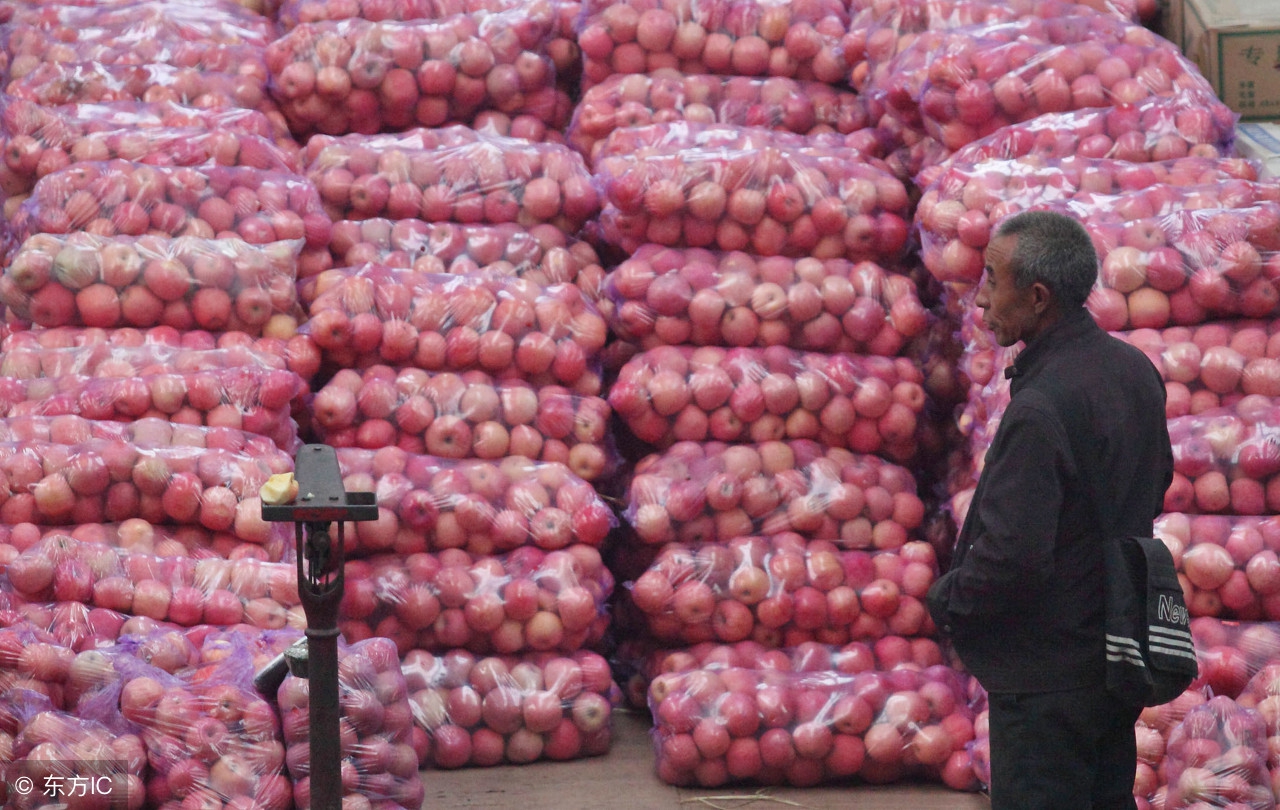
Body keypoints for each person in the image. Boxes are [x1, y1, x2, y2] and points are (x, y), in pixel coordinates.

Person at [926, 210, 1173, 810]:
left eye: (992, 278)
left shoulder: (1042, 405)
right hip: (1115, 653)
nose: (980, 297)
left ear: (1036, 297)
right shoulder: (1133, 370)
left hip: (1046, 676)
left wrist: (947, 603)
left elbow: (1013, 557)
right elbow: (1156, 481)